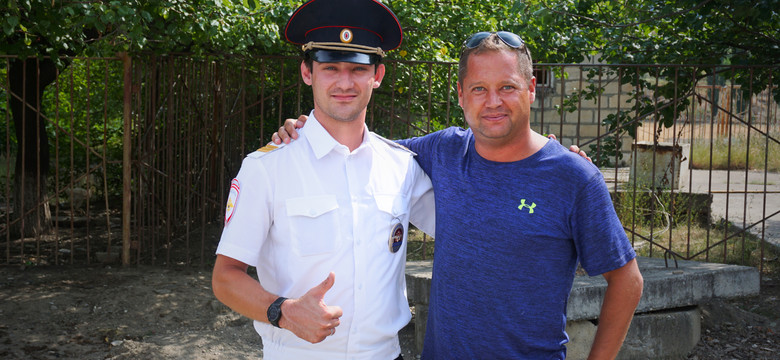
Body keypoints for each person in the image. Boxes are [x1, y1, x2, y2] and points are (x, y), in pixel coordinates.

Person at [273, 31, 644, 359]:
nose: (493, 101)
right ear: (462, 95)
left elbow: (627, 281)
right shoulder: (445, 150)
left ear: (530, 89)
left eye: (508, 87)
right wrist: (306, 130)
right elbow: (360, 149)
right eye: (479, 89)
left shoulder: (574, 178)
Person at [211, 1, 435, 359]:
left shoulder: (402, 166)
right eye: (330, 67)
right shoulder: (266, 168)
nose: (344, 82)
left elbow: (467, 222)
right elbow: (225, 278)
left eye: (357, 69)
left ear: (377, 76)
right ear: (307, 72)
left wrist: (536, 159)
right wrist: (283, 312)